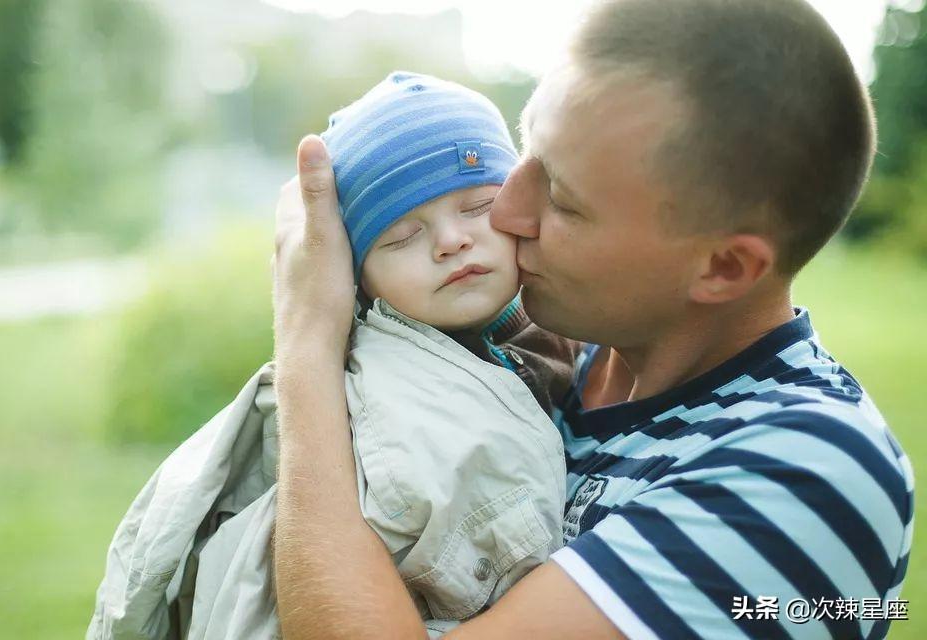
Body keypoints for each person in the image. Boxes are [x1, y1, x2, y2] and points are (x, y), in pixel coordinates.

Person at [271, 0, 914, 638]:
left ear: (722, 267)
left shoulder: (807, 472)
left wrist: (307, 336)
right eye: (525, 157)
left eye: (563, 199)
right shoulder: (540, 358)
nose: (506, 214)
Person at [88, 73, 580, 640]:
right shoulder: (380, 398)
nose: (451, 240)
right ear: (354, 275)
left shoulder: (571, 325)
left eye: (478, 206)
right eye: (400, 236)